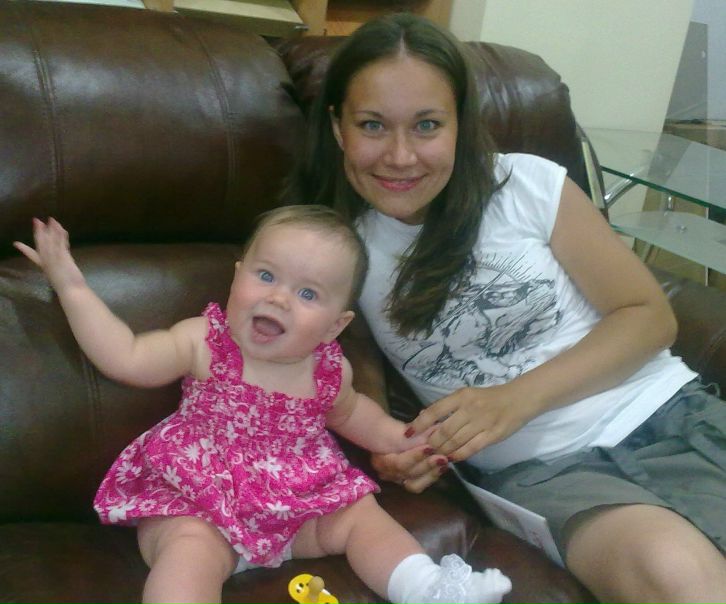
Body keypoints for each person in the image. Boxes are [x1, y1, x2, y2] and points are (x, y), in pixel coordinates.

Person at [284, 12, 726, 604]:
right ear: (338, 127)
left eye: (427, 125)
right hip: (549, 474)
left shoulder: (527, 185)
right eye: (372, 125)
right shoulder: (332, 248)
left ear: (460, 125)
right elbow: (345, 384)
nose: (400, 156)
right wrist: (392, 447)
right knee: (680, 577)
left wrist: (513, 400)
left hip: (669, 413)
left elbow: (649, 315)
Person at [13, 206, 512, 604]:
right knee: (187, 551)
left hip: (297, 507)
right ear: (237, 278)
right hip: (199, 501)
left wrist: (409, 439)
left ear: (335, 326)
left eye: (308, 293)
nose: (279, 299)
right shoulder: (203, 341)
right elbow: (125, 356)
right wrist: (71, 285)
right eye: (266, 275)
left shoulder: (328, 371)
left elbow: (355, 415)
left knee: (362, 516)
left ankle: (427, 588)